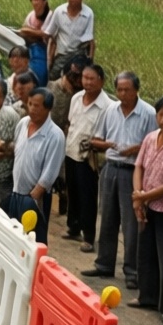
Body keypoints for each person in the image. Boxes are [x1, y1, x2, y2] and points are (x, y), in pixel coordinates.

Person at [84, 72, 156, 288]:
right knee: (107, 218)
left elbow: (153, 144)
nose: (123, 94)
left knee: (131, 224)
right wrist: (107, 145)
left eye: (127, 89)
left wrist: (135, 149)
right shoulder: (110, 110)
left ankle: (132, 271)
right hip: (111, 167)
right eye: (119, 90)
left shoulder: (148, 113)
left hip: (132, 170)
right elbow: (98, 139)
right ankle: (104, 263)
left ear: (136, 90)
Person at [131, 94, 163, 315]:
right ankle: (146, 296)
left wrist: (144, 196)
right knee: (145, 253)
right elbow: (139, 166)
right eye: (160, 113)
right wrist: (138, 194)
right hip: (147, 203)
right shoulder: (151, 138)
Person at [5, 88, 65, 245]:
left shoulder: (55, 135)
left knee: (32, 240)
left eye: (36, 106)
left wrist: (33, 197)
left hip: (35, 197)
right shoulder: (23, 124)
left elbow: (50, 172)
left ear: (47, 108)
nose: (31, 109)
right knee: (12, 235)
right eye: (30, 104)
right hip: (16, 192)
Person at [63, 62, 111, 251]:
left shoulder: (107, 106)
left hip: (89, 157)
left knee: (88, 196)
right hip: (71, 150)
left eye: (92, 79)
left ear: (101, 81)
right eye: (85, 78)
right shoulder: (76, 98)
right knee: (72, 191)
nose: (87, 82)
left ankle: (89, 236)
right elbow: (70, 123)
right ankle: (73, 227)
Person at [45, 0, 95, 80]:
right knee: (53, 78)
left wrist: (90, 60)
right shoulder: (59, 11)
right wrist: (50, 58)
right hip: (62, 54)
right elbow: (50, 33)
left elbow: (90, 39)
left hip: (78, 54)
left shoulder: (88, 14)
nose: (73, 0)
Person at [19, 0, 53, 84]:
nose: (35, 2)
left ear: (45, 1)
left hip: (45, 49)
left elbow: (45, 33)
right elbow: (23, 30)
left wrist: (29, 31)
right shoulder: (31, 15)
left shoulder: (50, 16)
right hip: (31, 47)